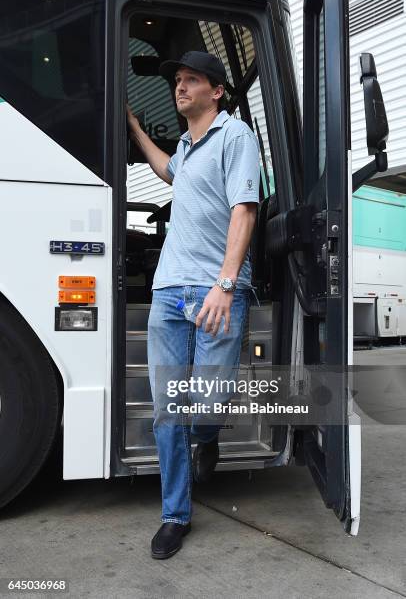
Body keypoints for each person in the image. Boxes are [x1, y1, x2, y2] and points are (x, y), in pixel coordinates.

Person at [126, 50, 260, 559]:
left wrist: (225, 285)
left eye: (191, 80)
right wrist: (137, 129)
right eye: (178, 81)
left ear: (217, 91)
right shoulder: (186, 145)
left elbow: (244, 211)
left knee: (208, 403)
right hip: (168, 292)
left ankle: (207, 437)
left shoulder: (235, 137)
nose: (180, 88)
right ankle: (174, 515)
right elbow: (169, 174)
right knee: (168, 411)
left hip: (214, 293)